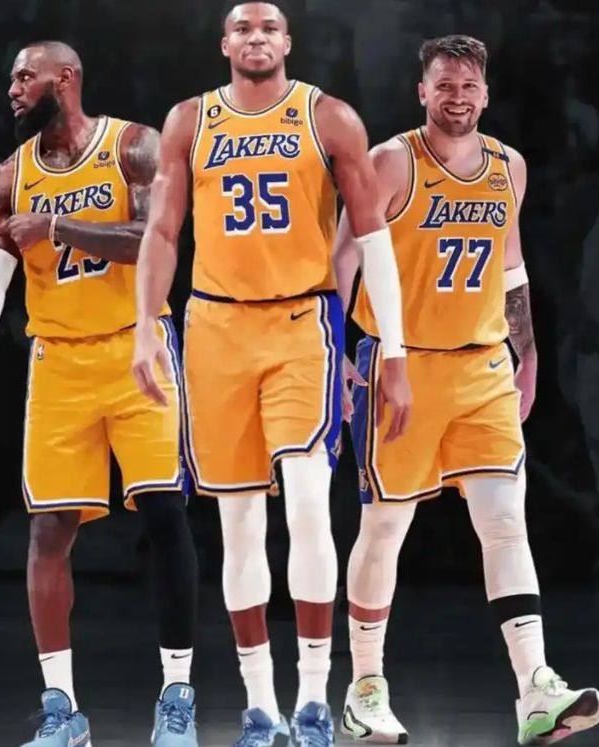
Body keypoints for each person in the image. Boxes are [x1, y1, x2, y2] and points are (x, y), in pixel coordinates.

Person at [132, 2, 411, 745]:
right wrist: (145, 323)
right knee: (239, 523)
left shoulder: (328, 117)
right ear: (224, 43)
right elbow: (162, 230)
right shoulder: (189, 120)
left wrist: (394, 351)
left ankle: (314, 698)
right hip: (214, 326)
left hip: (300, 323)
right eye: (242, 28)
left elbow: (374, 237)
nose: (255, 38)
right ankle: (260, 706)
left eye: (267, 28)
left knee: (310, 506)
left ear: (287, 41)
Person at [334, 34, 599, 746]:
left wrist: (528, 351)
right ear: (422, 92)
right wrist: (338, 354)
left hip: (482, 366)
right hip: (402, 366)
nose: (457, 97)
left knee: (505, 522)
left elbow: (510, 264)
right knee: (385, 527)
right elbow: (342, 258)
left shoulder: (509, 167)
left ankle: (536, 687)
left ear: (486, 93)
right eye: (444, 85)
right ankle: (365, 689)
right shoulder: (391, 161)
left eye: (469, 85)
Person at [0, 41, 200, 747]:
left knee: (165, 515)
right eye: (11, 80)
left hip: (138, 346)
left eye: (26, 77)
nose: (14, 90)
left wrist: (56, 226)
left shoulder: (133, 146)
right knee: (48, 531)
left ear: (67, 78)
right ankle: (63, 710)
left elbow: (155, 240)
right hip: (58, 361)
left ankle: (177, 696)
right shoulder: (3, 184)